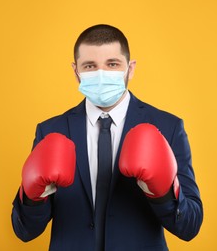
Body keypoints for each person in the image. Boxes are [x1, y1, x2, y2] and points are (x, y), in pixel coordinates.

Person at [11, 24, 203, 251]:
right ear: (76, 72)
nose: (101, 75)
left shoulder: (168, 127)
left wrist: (162, 193)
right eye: (90, 66)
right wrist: (34, 196)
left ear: (130, 69)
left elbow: (190, 226)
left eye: (112, 64)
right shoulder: (51, 130)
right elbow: (24, 231)